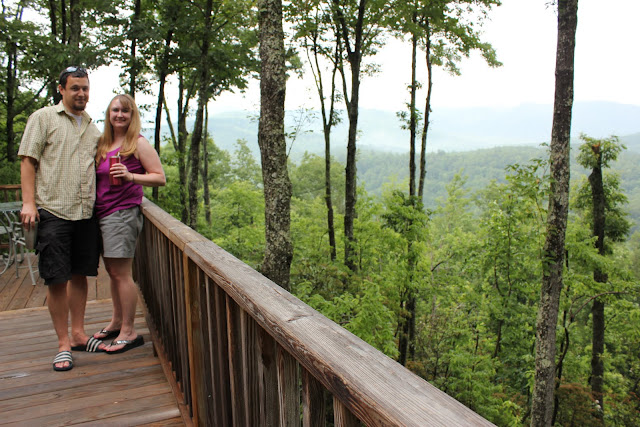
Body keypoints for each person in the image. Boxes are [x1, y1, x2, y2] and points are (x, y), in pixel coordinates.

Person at [19, 66, 107, 372]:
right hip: (53, 211)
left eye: (85, 88)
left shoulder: (93, 129)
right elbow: (28, 161)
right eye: (75, 88)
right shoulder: (43, 118)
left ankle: (79, 334)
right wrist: (28, 203)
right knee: (57, 279)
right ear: (61, 89)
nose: (81, 93)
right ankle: (63, 344)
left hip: (85, 213)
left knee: (80, 275)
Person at [92, 94, 165, 354]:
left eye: (125, 111)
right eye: (115, 110)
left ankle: (129, 332)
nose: (120, 115)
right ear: (108, 114)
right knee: (113, 273)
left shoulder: (138, 143)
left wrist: (130, 175)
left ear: (132, 115)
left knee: (122, 274)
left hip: (122, 214)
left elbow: (159, 177)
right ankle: (116, 322)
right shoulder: (104, 143)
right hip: (103, 214)